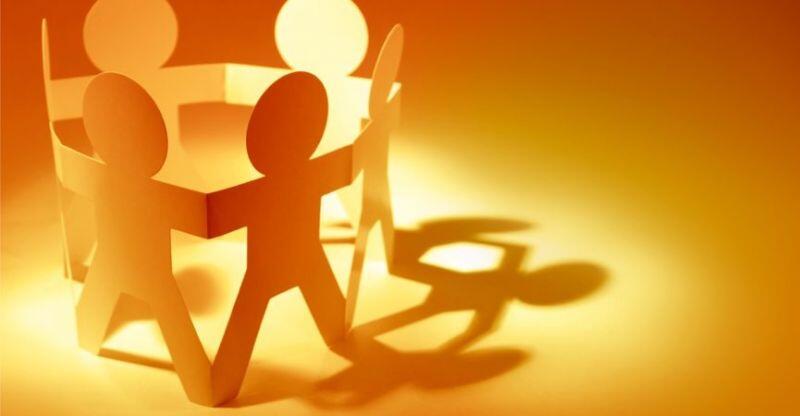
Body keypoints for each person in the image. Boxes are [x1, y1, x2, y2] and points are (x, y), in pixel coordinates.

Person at [206, 71, 375, 404]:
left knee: (255, 315)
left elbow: (212, 219)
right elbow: (350, 164)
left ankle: (219, 386)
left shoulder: (261, 188)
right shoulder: (313, 171)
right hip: (299, 259)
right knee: (285, 312)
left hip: (281, 264)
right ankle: (219, 385)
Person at [52, 72, 215, 405]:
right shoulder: (154, 190)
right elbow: (202, 218)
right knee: (161, 310)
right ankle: (203, 388)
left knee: (112, 307)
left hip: (115, 261)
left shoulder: (98, 174)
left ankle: (204, 387)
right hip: (139, 267)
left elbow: (69, 170)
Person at [345, 25, 404, 328]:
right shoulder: (384, 107)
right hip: (367, 182)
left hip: (369, 185)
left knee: (366, 224)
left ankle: (341, 325)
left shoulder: (382, 110)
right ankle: (340, 325)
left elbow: (355, 155)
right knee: (369, 222)